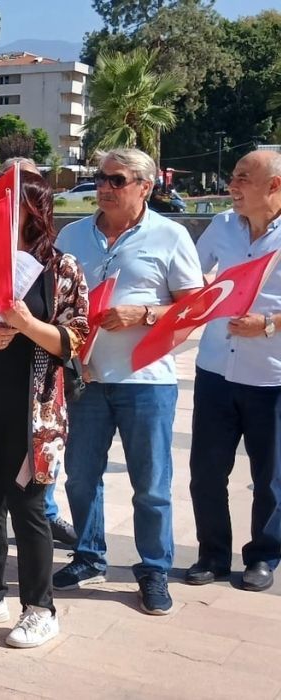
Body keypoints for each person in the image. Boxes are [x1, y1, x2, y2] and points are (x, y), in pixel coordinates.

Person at [54, 147, 203, 615]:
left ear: (146, 185)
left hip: (147, 381)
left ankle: (154, 569)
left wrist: (144, 313)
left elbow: (194, 307)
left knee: (152, 485)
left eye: (116, 180)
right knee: (80, 478)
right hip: (86, 380)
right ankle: (89, 555)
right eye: (100, 178)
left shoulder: (170, 235)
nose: (103, 188)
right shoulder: (73, 234)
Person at [0, 172, 89, 649]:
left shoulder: (61, 268)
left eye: (11, 205)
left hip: (36, 414)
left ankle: (39, 608)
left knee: (28, 509)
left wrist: (26, 324)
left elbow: (75, 341)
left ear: (35, 210)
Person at [188, 149, 281, 593]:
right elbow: (191, 279)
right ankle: (212, 554)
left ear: (274, 187)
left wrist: (269, 324)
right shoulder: (222, 226)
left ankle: (264, 554)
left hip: (271, 376)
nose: (233, 185)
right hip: (215, 370)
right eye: (233, 176)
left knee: (271, 477)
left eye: (244, 178)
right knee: (206, 470)